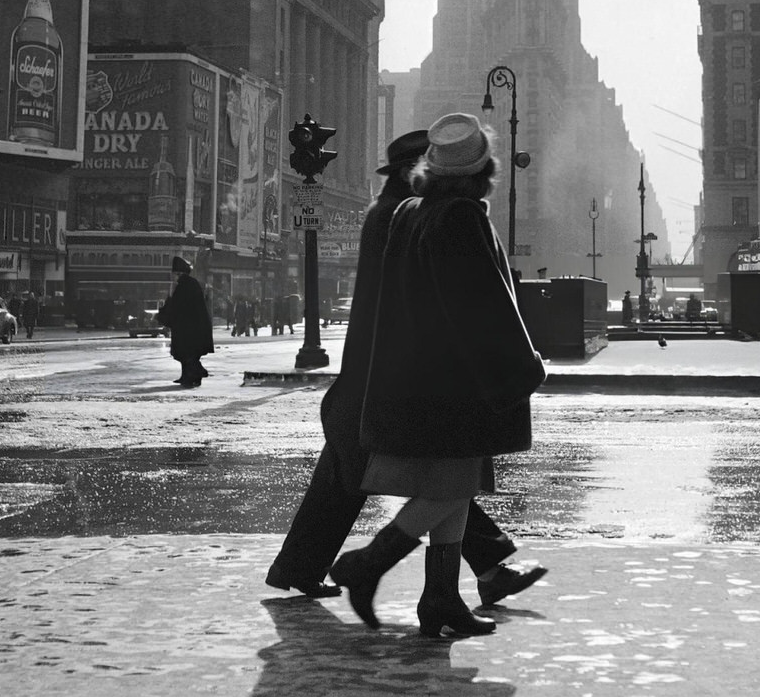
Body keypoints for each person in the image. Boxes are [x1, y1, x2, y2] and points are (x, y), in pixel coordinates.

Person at [267, 129, 549, 609]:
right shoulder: (424, 216)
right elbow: (467, 303)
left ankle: (453, 587)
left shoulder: (405, 212)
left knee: (396, 477)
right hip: (403, 371)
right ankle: (390, 569)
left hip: (389, 371)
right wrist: (517, 366)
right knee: (439, 478)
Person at [159, 255, 214, 387]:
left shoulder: (184, 285)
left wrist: (165, 314)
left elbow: (178, 306)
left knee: (187, 354)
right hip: (191, 327)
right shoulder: (189, 283)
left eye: (174, 273)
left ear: (178, 273)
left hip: (188, 329)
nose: (172, 276)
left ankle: (196, 373)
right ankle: (188, 376)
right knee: (188, 354)